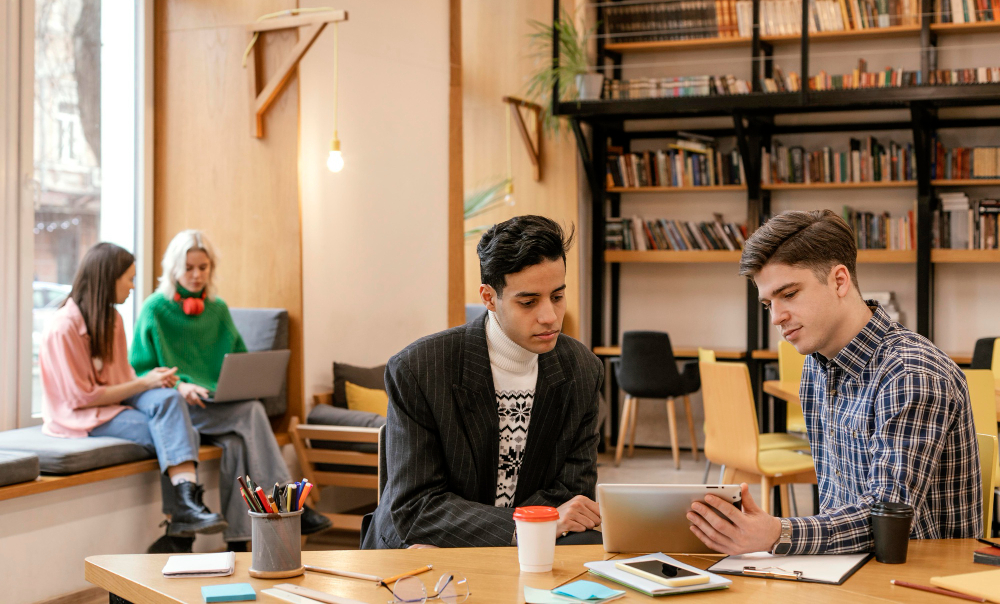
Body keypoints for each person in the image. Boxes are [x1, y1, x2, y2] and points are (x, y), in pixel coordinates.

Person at [687, 209, 982, 555]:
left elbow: (886, 522)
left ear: (839, 281)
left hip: (917, 578)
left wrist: (776, 532)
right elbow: (836, 506)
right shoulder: (817, 365)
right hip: (844, 567)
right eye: (769, 303)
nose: (776, 317)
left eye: (790, 294)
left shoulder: (910, 373)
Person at [363, 215, 603, 549]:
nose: (549, 316)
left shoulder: (582, 369)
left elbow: (572, 491)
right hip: (421, 546)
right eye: (529, 301)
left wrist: (532, 529)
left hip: (532, 544)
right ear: (489, 298)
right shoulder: (419, 369)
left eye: (558, 296)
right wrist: (527, 526)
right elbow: (416, 509)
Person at [130, 230, 332, 553]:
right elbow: (139, 368)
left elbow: (239, 358)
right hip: (180, 407)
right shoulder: (154, 309)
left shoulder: (218, 310)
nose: (197, 275)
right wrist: (180, 385)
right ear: (173, 270)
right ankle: (288, 503)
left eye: (204, 267)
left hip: (214, 404)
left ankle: (238, 544)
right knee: (251, 413)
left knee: (240, 438)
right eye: (189, 268)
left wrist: (239, 382)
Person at [40, 242, 227, 549]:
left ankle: (182, 519)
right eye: (128, 279)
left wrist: (159, 382)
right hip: (80, 417)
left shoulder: (113, 320)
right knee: (184, 431)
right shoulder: (64, 327)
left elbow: (124, 379)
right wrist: (145, 383)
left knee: (170, 402)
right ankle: (180, 525)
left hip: (113, 404)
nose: (132, 286)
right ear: (108, 279)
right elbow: (81, 399)